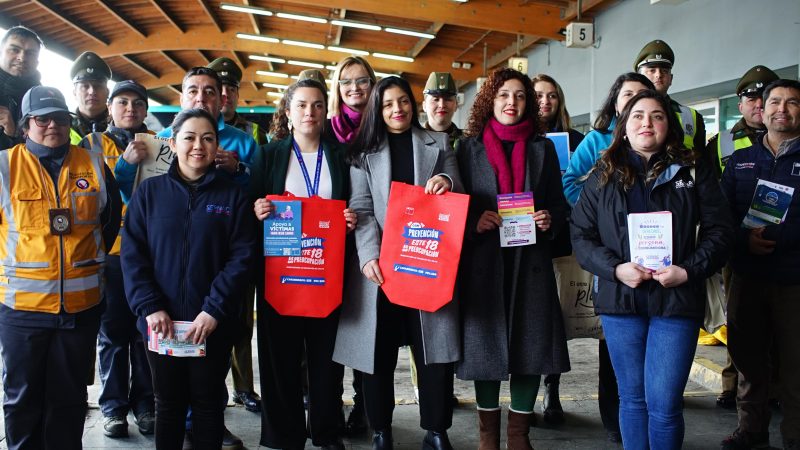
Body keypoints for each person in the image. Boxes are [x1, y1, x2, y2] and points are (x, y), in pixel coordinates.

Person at [570, 90, 733, 449]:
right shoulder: (603, 174)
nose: (647, 123)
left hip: (676, 300)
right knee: (632, 400)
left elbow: (721, 232)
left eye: (657, 116)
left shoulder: (692, 169)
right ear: (624, 128)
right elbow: (581, 236)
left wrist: (688, 271)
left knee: (664, 404)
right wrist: (615, 270)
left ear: (668, 126)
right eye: (638, 116)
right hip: (621, 301)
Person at [333, 76, 462, 450]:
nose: (397, 110)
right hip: (382, 271)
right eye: (388, 104)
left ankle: (436, 431)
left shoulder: (438, 143)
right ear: (378, 109)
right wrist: (369, 255)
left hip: (426, 263)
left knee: (432, 354)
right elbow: (361, 209)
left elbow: (457, 186)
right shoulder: (363, 153)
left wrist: (445, 181)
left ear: (413, 103)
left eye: (403, 101)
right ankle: (381, 429)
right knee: (378, 354)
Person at [122, 108, 256, 450]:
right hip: (161, 324)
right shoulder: (149, 194)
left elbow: (241, 259)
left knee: (209, 405)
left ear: (217, 146)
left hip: (210, 324)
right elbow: (133, 255)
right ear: (174, 142)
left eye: (208, 138)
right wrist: (150, 307)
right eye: (190, 137)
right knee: (167, 405)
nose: (199, 145)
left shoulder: (233, 197)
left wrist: (213, 310)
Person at [0, 85, 121, 450]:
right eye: (42, 119)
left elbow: (110, 221)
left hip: (81, 307)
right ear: (25, 125)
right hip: (22, 309)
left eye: (60, 118)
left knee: (68, 398)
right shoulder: (5, 166)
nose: (52, 125)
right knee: (22, 397)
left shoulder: (93, 164)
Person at [455, 67, 570, 450]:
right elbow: (458, 204)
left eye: (520, 96)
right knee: (485, 348)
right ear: (490, 99)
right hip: (485, 262)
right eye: (504, 94)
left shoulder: (543, 148)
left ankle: (518, 436)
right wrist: (474, 220)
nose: (512, 102)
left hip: (530, 262)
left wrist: (549, 218)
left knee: (530, 347)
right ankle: (488, 437)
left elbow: (558, 201)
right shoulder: (468, 148)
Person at [251, 78, 356, 450]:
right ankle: (283, 433)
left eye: (316, 105)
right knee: (280, 358)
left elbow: (353, 202)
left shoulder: (340, 155)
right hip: (281, 273)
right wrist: (258, 209)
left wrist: (351, 218)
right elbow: (250, 206)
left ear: (324, 112)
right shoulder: (269, 155)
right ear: (288, 113)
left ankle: (326, 431)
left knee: (327, 360)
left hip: (325, 271)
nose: (309, 112)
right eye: (301, 105)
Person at [559, 72, 654, 442]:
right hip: (610, 255)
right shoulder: (597, 141)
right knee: (611, 341)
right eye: (627, 94)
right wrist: (595, 216)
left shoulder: (661, 143)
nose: (633, 101)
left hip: (655, 258)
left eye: (641, 95)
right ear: (616, 100)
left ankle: (647, 415)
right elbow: (570, 182)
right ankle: (615, 418)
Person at [720, 79, 800, 450]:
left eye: (792, 102)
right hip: (747, 277)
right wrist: (742, 240)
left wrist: (779, 239)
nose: (782, 109)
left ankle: (795, 437)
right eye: (775, 102)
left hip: (794, 280)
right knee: (748, 360)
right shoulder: (740, 160)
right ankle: (751, 431)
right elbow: (720, 215)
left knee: (795, 367)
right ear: (762, 110)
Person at [78, 80, 155, 438]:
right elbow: (92, 195)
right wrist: (124, 165)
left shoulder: (159, 145)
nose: (130, 109)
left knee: (145, 333)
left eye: (138, 104)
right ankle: (112, 407)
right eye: (122, 102)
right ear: (109, 107)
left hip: (148, 256)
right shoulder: (89, 145)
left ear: (145, 111)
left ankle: (145, 403)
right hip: (107, 255)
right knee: (112, 336)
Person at [704, 65, 779, 411]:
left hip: (784, 246)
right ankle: (732, 385)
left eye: (765, 97)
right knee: (739, 321)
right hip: (737, 248)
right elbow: (711, 198)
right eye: (751, 97)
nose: (758, 104)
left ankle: (776, 386)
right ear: (741, 102)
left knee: (781, 323)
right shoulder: (721, 143)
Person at [206, 56, 263, 414]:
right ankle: (208, 396)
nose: (224, 95)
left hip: (241, 238)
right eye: (218, 89)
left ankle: (244, 387)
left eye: (230, 89)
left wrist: (238, 167)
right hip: (201, 241)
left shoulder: (250, 135)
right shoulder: (173, 134)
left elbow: (262, 182)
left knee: (241, 320)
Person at [326, 55, 377, 435]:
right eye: (347, 82)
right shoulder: (326, 131)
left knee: (362, 328)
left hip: (366, 242)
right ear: (337, 88)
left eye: (362, 81)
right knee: (329, 329)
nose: (355, 88)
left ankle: (363, 405)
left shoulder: (382, 128)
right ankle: (327, 402)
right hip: (325, 244)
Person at [530, 73, 584, 426]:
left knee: (558, 321)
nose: (545, 102)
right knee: (533, 322)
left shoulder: (577, 140)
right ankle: (529, 393)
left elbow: (588, 184)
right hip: (525, 242)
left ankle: (552, 388)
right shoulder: (518, 139)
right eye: (538, 96)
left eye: (552, 95)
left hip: (562, 238)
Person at [634, 40, 705, 153]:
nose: (658, 75)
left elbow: (701, 163)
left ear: (671, 79)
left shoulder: (692, 117)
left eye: (664, 71)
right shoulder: (625, 113)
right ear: (639, 78)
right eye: (652, 70)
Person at [208, 56, 267, 145]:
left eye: (231, 89)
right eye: (220, 90)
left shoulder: (256, 133)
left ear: (237, 95)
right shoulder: (195, 127)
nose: (226, 94)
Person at [0, 26, 42, 149]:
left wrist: (14, 135)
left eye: (30, 53)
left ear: (37, 61)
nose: (22, 58)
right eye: (14, 49)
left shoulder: (43, 99)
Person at [69, 51, 111, 144]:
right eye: (85, 86)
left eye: (98, 86)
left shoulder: (120, 125)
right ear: (75, 93)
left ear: (107, 92)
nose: (92, 92)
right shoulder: (62, 127)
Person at [421, 71, 462, 149]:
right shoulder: (415, 140)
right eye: (436, 99)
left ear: (456, 105)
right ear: (424, 106)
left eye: (448, 99)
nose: (442, 105)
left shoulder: (469, 141)